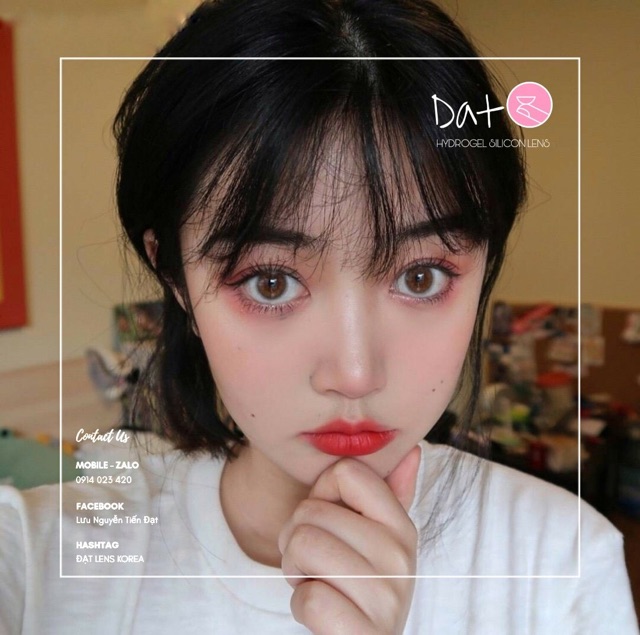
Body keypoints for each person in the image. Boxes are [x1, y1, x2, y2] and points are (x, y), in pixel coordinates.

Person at [1, 1, 637, 633]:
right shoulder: (34, 561)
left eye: (421, 276)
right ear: (176, 280)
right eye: (270, 281)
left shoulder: (564, 561)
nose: (355, 375)